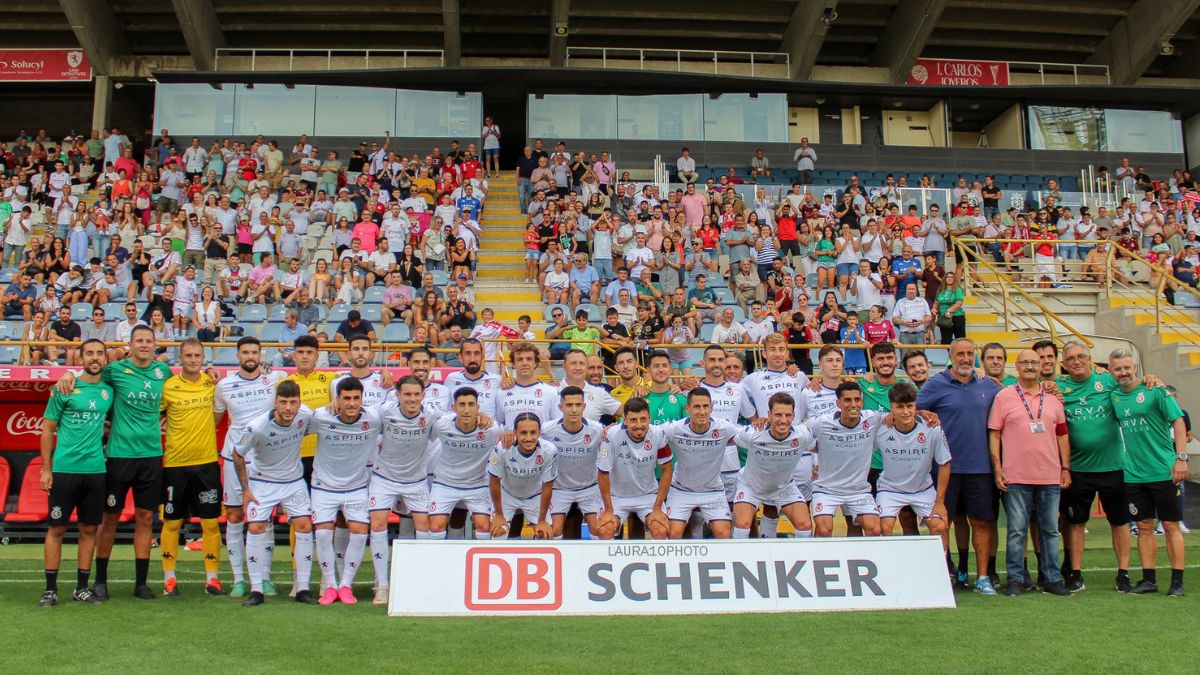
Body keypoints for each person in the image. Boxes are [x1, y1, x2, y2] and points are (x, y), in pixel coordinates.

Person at [54, 325, 173, 601]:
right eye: (139, 341)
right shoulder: (115, 370)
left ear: (155, 345)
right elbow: (89, 373)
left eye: (148, 341)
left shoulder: (162, 372)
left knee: (145, 518)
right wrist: (67, 372)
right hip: (118, 456)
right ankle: (100, 581)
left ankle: (141, 583)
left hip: (151, 456)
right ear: (130, 345)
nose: (144, 345)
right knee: (109, 519)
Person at [917, 338, 1003, 595]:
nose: (965, 358)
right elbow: (912, 409)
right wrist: (925, 413)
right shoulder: (935, 384)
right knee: (942, 523)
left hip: (980, 467)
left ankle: (983, 577)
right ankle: (943, 575)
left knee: (983, 522)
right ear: (950, 356)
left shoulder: (990, 386)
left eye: (970, 354)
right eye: (960, 354)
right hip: (946, 468)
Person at [988, 349, 1073, 597]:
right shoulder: (1004, 397)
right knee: (1016, 530)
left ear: (1041, 366)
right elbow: (994, 433)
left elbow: (1062, 434)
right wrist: (998, 467)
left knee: (1049, 529)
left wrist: (1065, 467)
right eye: (1025, 362)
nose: (1030, 366)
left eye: (1034, 363)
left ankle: (1051, 577)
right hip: (1015, 476)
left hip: (1049, 475)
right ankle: (1015, 578)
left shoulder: (1054, 398)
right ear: (1016, 365)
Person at [38, 339, 112, 606]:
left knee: (89, 528)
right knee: (57, 528)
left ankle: (81, 587)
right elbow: (47, 429)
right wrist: (46, 469)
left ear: (105, 358)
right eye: (89, 353)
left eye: (99, 353)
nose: (94, 358)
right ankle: (50, 589)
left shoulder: (108, 390)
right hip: (65, 470)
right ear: (80, 358)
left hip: (95, 470)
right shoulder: (65, 386)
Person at [1109, 348, 1188, 597]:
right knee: (1144, 526)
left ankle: (1177, 583)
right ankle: (1149, 580)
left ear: (1135, 368)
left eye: (1127, 367)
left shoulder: (1155, 390)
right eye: (1117, 368)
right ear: (1111, 371)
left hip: (1164, 471)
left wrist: (1181, 459)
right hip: (1134, 475)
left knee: (1170, 526)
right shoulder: (1114, 396)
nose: (1123, 372)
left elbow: (1178, 421)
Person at [213, 337, 286, 597]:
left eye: (254, 352)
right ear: (237, 355)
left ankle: (264, 577)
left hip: (265, 458)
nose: (250, 356)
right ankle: (238, 579)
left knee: (263, 518)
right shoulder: (223, 385)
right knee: (234, 516)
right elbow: (216, 419)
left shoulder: (274, 380)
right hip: (235, 458)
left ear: (260, 354)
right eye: (245, 352)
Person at [158, 339, 226, 597]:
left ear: (203, 357)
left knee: (210, 523)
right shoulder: (169, 387)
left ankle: (212, 580)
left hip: (207, 463)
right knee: (172, 523)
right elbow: (153, 417)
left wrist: (213, 374)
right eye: (188, 355)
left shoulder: (212, 383)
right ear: (181, 357)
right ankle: (169, 579)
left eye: (198, 355)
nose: (193, 359)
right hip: (175, 464)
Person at [305, 378, 383, 605]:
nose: (351, 403)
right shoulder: (321, 416)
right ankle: (330, 585)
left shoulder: (373, 418)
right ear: (337, 399)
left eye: (356, 398)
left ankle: (346, 585)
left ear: (362, 399)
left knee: (359, 532)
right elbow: (295, 425)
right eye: (346, 398)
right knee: (321, 533)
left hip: (357, 485)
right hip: (323, 486)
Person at [730, 392, 815, 540]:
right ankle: (742, 559)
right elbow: (725, 437)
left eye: (787, 415)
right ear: (769, 414)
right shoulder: (753, 434)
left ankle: (799, 559)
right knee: (742, 525)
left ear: (793, 415)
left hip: (783, 487)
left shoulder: (803, 436)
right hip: (751, 486)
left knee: (805, 525)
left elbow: (821, 446)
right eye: (778, 415)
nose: (783, 420)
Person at [657, 389, 738, 539]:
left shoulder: (724, 428)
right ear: (687, 409)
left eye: (705, 406)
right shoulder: (675, 429)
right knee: (673, 533)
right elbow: (649, 432)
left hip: (712, 491)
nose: (702, 411)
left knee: (725, 534)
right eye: (696, 407)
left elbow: (749, 436)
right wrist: (612, 429)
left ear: (712, 408)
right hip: (681, 490)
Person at [427, 387, 505, 539]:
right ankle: (438, 561)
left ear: (478, 407)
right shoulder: (442, 424)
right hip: (445, 482)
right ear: (453, 408)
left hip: (477, 484)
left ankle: (480, 560)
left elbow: (511, 433)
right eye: (462, 405)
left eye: (471, 404)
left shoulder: (491, 429)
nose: (467, 410)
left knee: (484, 526)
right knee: (436, 525)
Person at [875, 381, 950, 537]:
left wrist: (940, 502)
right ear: (891, 406)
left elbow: (944, 463)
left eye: (909, 406)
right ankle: (889, 562)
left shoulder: (932, 427)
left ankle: (941, 561)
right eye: (900, 407)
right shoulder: (881, 427)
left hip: (923, 489)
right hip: (890, 489)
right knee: (883, 527)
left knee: (940, 526)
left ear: (915, 406)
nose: (905, 412)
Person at [809, 382, 883, 537]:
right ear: (838, 403)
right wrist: (814, 461)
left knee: (875, 529)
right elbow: (798, 435)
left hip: (858, 490)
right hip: (826, 489)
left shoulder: (873, 418)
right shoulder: (822, 422)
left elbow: (899, 416)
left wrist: (925, 413)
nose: (853, 404)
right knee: (824, 530)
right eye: (848, 400)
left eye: (857, 400)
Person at [594, 398, 671, 540]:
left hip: (648, 495)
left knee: (660, 530)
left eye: (643, 419)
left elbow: (666, 469)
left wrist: (657, 508)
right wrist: (609, 510)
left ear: (649, 418)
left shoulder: (658, 434)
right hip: (617, 497)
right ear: (625, 420)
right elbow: (603, 473)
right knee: (605, 530)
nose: (639, 425)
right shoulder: (611, 435)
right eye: (633, 420)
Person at [488, 413, 557, 540]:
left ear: (540, 432)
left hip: (535, 495)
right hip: (507, 494)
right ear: (515, 433)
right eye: (523, 433)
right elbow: (494, 481)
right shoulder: (502, 448)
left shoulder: (549, 450)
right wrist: (498, 514)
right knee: (497, 532)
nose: (529, 438)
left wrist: (541, 521)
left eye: (533, 432)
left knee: (545, 535)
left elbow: (548, 485)